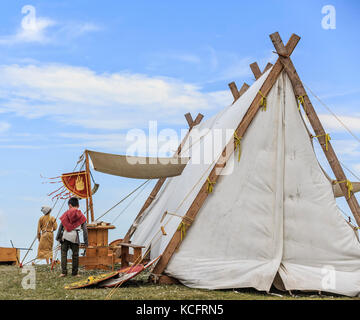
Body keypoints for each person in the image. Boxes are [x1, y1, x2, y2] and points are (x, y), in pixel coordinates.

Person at [56, 197, 88, 277]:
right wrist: (86, 241)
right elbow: (85, 230)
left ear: (70, 205)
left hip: (65, 235)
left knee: (63, 254)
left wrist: (57, 237)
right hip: (75, 236)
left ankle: (63, 272)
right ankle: (75, 273)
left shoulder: (66, 213)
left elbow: (61, 226)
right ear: (78, 205)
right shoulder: (81, 215)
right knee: (75, 255)